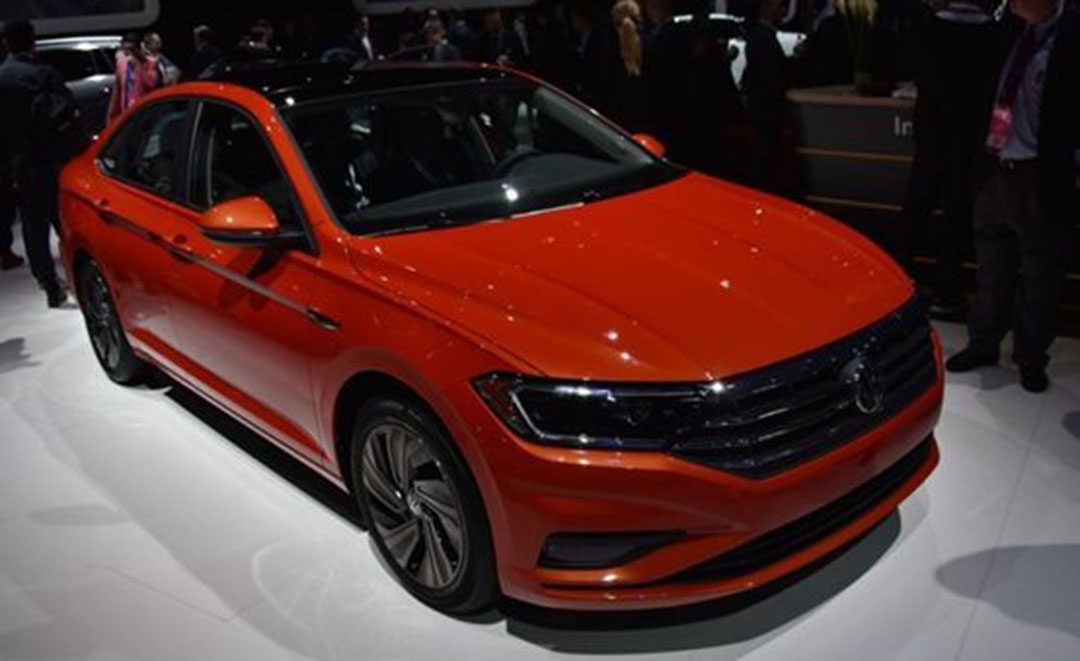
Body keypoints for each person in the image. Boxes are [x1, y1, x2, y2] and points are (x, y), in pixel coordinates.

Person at [946, 0, 1080, 393]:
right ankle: (983, 344)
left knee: (1040, 274)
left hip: (1039, 173)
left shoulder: (1073, 34)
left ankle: (1031, 358)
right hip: (994, 166)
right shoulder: (1007, 29)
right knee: (991, 266)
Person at [899, 0, 995, 318]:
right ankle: (945, 290)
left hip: (932, 131)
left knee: (916, 207)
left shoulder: (929, 27)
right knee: (956, 215)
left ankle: (898, 280)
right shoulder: (990, 33)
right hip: (967, 136)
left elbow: (915, 70)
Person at [0, 19, 74, 307]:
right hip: (54, 160)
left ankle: (49, 285)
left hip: (20, 164)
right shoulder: (44, 74)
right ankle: (75, 276)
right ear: (32, 39)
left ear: (5, 42)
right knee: (65, 222)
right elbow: (68, 111)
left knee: (33, 228)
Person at [741, 0, 791, 191]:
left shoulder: (760, 35)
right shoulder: (763, 37)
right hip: (766, 109)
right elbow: (770, 77)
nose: (783, 10)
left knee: (764, 155)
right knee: (764, 156)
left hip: (762, 107)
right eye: (779, 5)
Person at [107, 32, 160, 124]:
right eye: (125, 49)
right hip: (127, 110)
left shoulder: (149, 63)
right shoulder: (121, 63)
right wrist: (112, 116)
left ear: (138, 49)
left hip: (144, 110)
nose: (128, 53)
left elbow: (151, 83)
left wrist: (138, 67)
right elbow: (117, 92)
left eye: (131, 50)